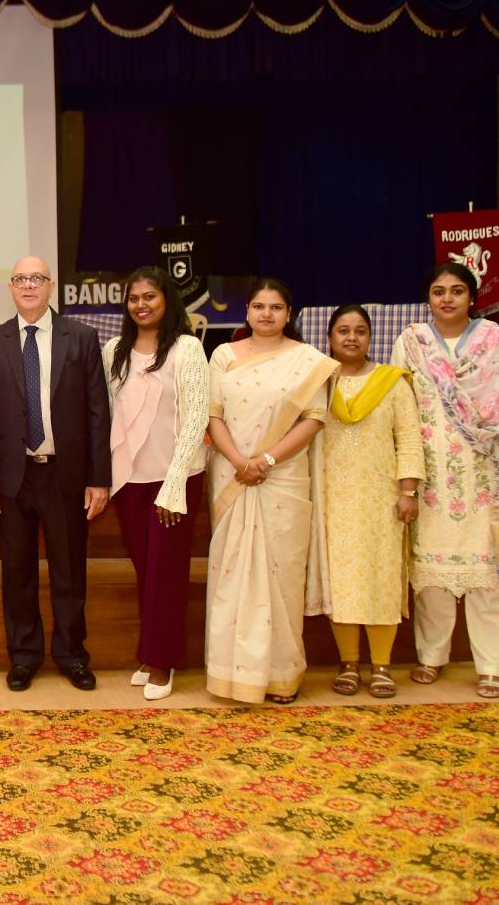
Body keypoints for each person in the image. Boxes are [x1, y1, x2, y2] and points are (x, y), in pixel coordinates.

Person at [392, 263, 499, 699]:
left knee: (489, 573)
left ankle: (493, 666)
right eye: (438, 291)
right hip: (432, 474)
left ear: (472, 298)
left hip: (488, 473)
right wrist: (406, 478)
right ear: (428, 298)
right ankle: (431, 656)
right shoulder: (412, 342)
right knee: (431, 575)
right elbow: (400, 407)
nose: (447, 299)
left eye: (457, 291)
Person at [0, 255, 111, 692]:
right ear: (10, 288)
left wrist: (99, 478)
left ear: (51, 286)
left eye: (37, 278)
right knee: (17, 571)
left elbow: (96, 413)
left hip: (65, 475)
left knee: (69, 570)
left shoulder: (82, 338)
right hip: (13, 479)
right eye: (20, 279)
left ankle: (71, 654)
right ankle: (25, 656)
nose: (28, 285)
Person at [205, 278, 338, 704]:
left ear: (288, 313)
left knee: (281, 579)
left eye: (275, 307)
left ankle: (281, 675)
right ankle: (229, 674)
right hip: (231, 475)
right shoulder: (224, 355)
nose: (266, 314)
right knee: (232, 576)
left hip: (282, 478)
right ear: (246, 311)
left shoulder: (308, 361)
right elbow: (213, 415)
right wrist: (241, 461)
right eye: (259, 306)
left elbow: (314, 419)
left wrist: (266, 461)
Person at [102, 268, 208, 701]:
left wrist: (175, 483)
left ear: (167, 301)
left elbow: (196, 415)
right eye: (133, 298)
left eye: (149, 297)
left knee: (167, 573)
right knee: (146, 571)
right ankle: (150, 654)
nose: (141, 305)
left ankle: (164, 663)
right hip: (129, 481)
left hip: (174, 478)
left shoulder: (187, 349)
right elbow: (108, 415)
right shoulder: (114, 349)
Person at [314, 304, 423, 699]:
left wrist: (408, 491)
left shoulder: (392, 382)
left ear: (370, 337)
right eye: (343, 330)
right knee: (341, 583)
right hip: (333, 498)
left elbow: (409, 438)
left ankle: (381, 665)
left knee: (380, 579)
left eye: (360, 331)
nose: (351, 337)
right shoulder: (318, 383)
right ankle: (348, 664)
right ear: (328, 337)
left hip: (381, 499)